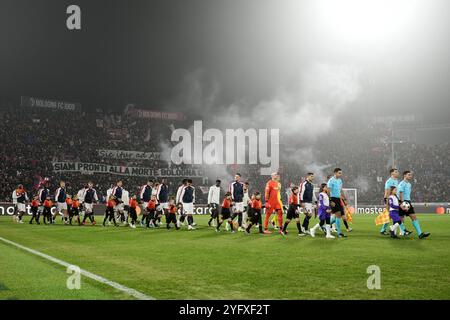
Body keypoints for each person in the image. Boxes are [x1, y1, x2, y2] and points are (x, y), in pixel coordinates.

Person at [397, 171, 430, 239]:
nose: (410, 176)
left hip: (408, 202)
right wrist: (402, 203)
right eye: (409, 175)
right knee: (401, 218)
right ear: (404, 175)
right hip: (403, 202)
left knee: (413, 217)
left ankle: (420, 234)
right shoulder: (401, 184)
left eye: (411, 175)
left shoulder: (409, 184)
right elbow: (400, 193)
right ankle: (401, 231)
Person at [327, 168, 347, 238]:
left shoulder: (340, 180)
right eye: (339, 173)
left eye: (341, 173)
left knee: (338, 216)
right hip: (333, 199)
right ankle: (339, 233)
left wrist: (344, 198)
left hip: (339, 199)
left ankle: (324, 226)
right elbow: (328, 190)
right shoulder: (331, 180)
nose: (340, 174)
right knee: (338, 215)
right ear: (335, 173)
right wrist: (330, 200)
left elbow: (341, 190)